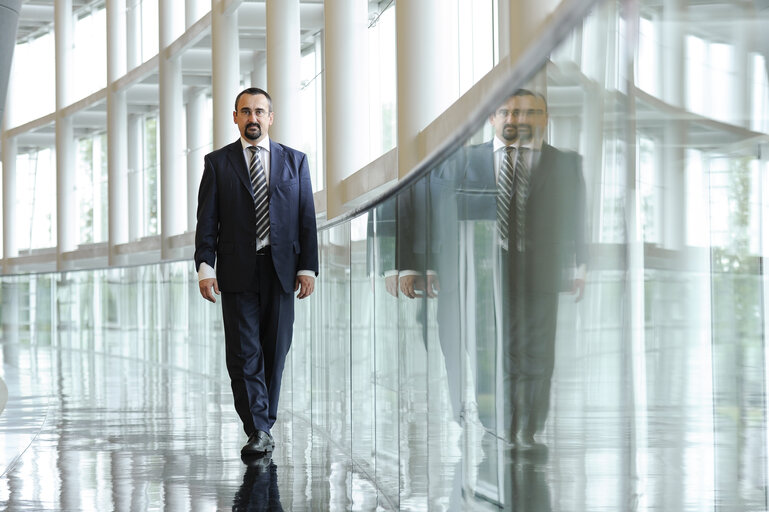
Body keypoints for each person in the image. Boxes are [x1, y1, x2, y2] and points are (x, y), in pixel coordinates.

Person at [194, 87, 319, 457]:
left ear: (270, 117)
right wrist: (205, 267)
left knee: (274, 352)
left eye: (260, 111)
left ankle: (263, 422)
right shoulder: (217, 163)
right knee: (245, 353)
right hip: (236, 271)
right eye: (246, 111)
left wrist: (308, 267)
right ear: (235, 117)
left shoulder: (295, 161)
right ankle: (259, 429)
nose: (253, 118)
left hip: (282, 271)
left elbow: (306, 219)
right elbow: (207, 221)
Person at [495, 89, 587, 450]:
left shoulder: (565, 162)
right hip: (499, 265)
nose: (523, 119)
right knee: (506, 344)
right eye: (516, 112)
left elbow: (578, 218)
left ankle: (530, 424)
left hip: (544, 267)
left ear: (544, 119)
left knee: (540, 348)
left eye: (533, 112)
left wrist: (581, 267)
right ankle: (507, 418)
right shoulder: (497, 160)